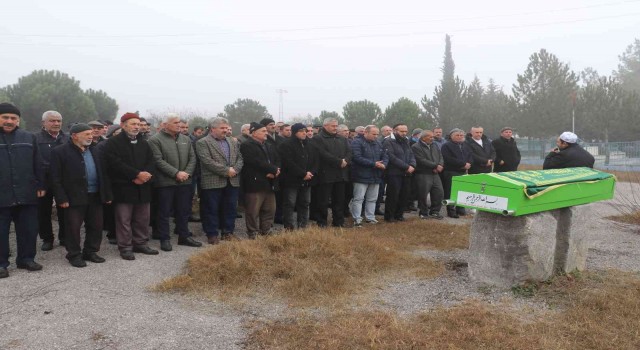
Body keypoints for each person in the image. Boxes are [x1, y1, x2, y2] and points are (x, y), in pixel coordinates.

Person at [50, 123, 113, 267]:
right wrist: (61, 197)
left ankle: (90, 251)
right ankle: (74, 255)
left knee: (96, 226)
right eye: (87, 134)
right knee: (73, 228)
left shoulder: (96, 150)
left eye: (91, 134)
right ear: (74, 136)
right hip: (73, 197)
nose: (91, 136)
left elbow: (104, 174)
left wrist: (107, 194)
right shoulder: (60, 151)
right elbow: (55, 178)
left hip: (95, 195)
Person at [104, 113, 158, 260]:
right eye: (133, 124)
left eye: (138, 124)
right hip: (124, 187)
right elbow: (115, 163)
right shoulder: (113, 143)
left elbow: (151, 161)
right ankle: (126, 247)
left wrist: (145, 175)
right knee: (124, 220)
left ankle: (140, 243)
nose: (137, 127)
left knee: (142, 219)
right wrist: (135, 175)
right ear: (123, 125)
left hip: (143, 187)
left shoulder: (143, 142)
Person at [0, 103, 45, 278]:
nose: (9, 121)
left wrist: (41, 185)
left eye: (13, 118)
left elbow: (38, 163)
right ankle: (1, 264)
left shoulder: (29, 137)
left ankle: (26, 259)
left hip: (26, 193)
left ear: (18, 120)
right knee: (1, 232)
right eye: (5, 117)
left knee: (28, 229)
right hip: (2, 194)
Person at [148, 114, 201, 251]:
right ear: (165, 125)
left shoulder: (185, 139)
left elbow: (192, 158)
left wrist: (186, 173)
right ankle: (164, 239)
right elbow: (158, 160)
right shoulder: (155, 140)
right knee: (164, 212)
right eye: (175, 122)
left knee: (183, 211)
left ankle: (184, 236)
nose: (179, 124)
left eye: (180, 122)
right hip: (165, 182)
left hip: (184, 181)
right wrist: (176, 173)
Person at [196, 117, 243, 244]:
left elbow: (240, 158)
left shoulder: (232, 141)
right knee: (211, 209)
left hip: (232, 180)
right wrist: (226, 170)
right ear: (213, 129)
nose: (225, 130)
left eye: (226, 128)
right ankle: (212, 234)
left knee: (230, 208)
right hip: (213, 181)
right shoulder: (203, 142)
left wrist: (235, 170)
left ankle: (228, 232)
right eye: (222, 128)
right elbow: (207, 161)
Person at [240, 122, 280, 239]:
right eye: (263, 131)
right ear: (254, 133)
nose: (266, 133)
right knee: (253, 211)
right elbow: (254, 162)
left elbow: (277, 158)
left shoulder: (268, 145)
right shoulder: (247, 145)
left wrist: (276, 170)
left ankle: (266, 230)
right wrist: (272, 169)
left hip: (270, 182)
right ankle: (253, 233)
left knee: (269, 209)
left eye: (266, 131)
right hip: (255, 183)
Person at [310, 117, 351, 227]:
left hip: (341, 174)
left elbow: (349, 152)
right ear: (325, 126)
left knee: (339, 200)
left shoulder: (342, 138)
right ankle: (322, 222)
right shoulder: (318, 138)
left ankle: (338, 221)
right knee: (323, 201)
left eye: (336, 126)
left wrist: (346, 160)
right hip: (326, 174)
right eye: (333, 126)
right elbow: (322, 153)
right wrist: (338, 161)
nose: (335, 128)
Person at [36, 110, 68, 251]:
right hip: (44, 181)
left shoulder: (67, 138)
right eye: (52, 121)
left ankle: (65, 237)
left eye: (58, 121)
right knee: (43, 211)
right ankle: (47, 238)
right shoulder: (35, 138)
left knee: (65, 209)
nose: (56, 123)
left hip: (63, 182)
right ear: (44, 123)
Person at [278, 123, 318, 230]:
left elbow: (315, 161)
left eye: (305, 131)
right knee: (290, 204)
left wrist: (310, 173)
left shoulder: (310, 144)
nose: (304, 133)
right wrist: (303, 174)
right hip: (291, 180)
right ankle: (289, 228)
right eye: (301, 131)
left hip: (307, 180)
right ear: (295, 132)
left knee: (305, 203)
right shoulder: (286, 145)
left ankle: (303, 227)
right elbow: (288, 162)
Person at [350, 125, 388, 227]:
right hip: (361, 175)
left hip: (375, 175)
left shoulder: (378, 143)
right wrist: (374, 163)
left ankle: (370, 217)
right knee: (358, 199)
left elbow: (385, 155)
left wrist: (384, 163)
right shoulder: (357, 142)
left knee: (372, 198)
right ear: (365, 133)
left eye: (377, 134)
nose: (376, 136)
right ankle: (357, 219)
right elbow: (357, 157)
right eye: (373, 134)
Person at [382, 123, 416, 222]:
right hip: (394, 172)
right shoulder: (388, 141)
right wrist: (406, 166)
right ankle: (389, 216)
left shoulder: (406, 141)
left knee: (404, 195)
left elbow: (411, 154)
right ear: (394, 130)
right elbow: (391, 157)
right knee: (393, 195)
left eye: (406, 131)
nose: (404, 133)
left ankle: (399, 215)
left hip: (407, 173)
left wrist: (412, 165)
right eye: (402, 131)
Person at [412, 130, 444, 220]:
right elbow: (420, 160)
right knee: (423, 194)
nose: (432, 138)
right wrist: (435, 165)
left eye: (432, 137)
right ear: (423, 137)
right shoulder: (416, 146)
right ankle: (423, 212)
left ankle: (435, 211)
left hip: (435, 173)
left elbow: (440, 156)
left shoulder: (434, 145)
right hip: (423, 173)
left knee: (439, 192)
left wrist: (440, 165)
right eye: (430, 137)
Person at [441, 128, 473, 219]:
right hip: (451, 171)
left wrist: (468, 164)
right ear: (451, 136)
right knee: (451, 192)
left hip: (463, 171)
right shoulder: (446, 145)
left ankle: (461, 209)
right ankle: (451, 210)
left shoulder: (465, 145)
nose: (460, 137)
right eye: (457, 135)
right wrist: (463, 164)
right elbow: (448, 158)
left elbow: (470, 156)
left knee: (462, 191)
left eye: (461, 135)